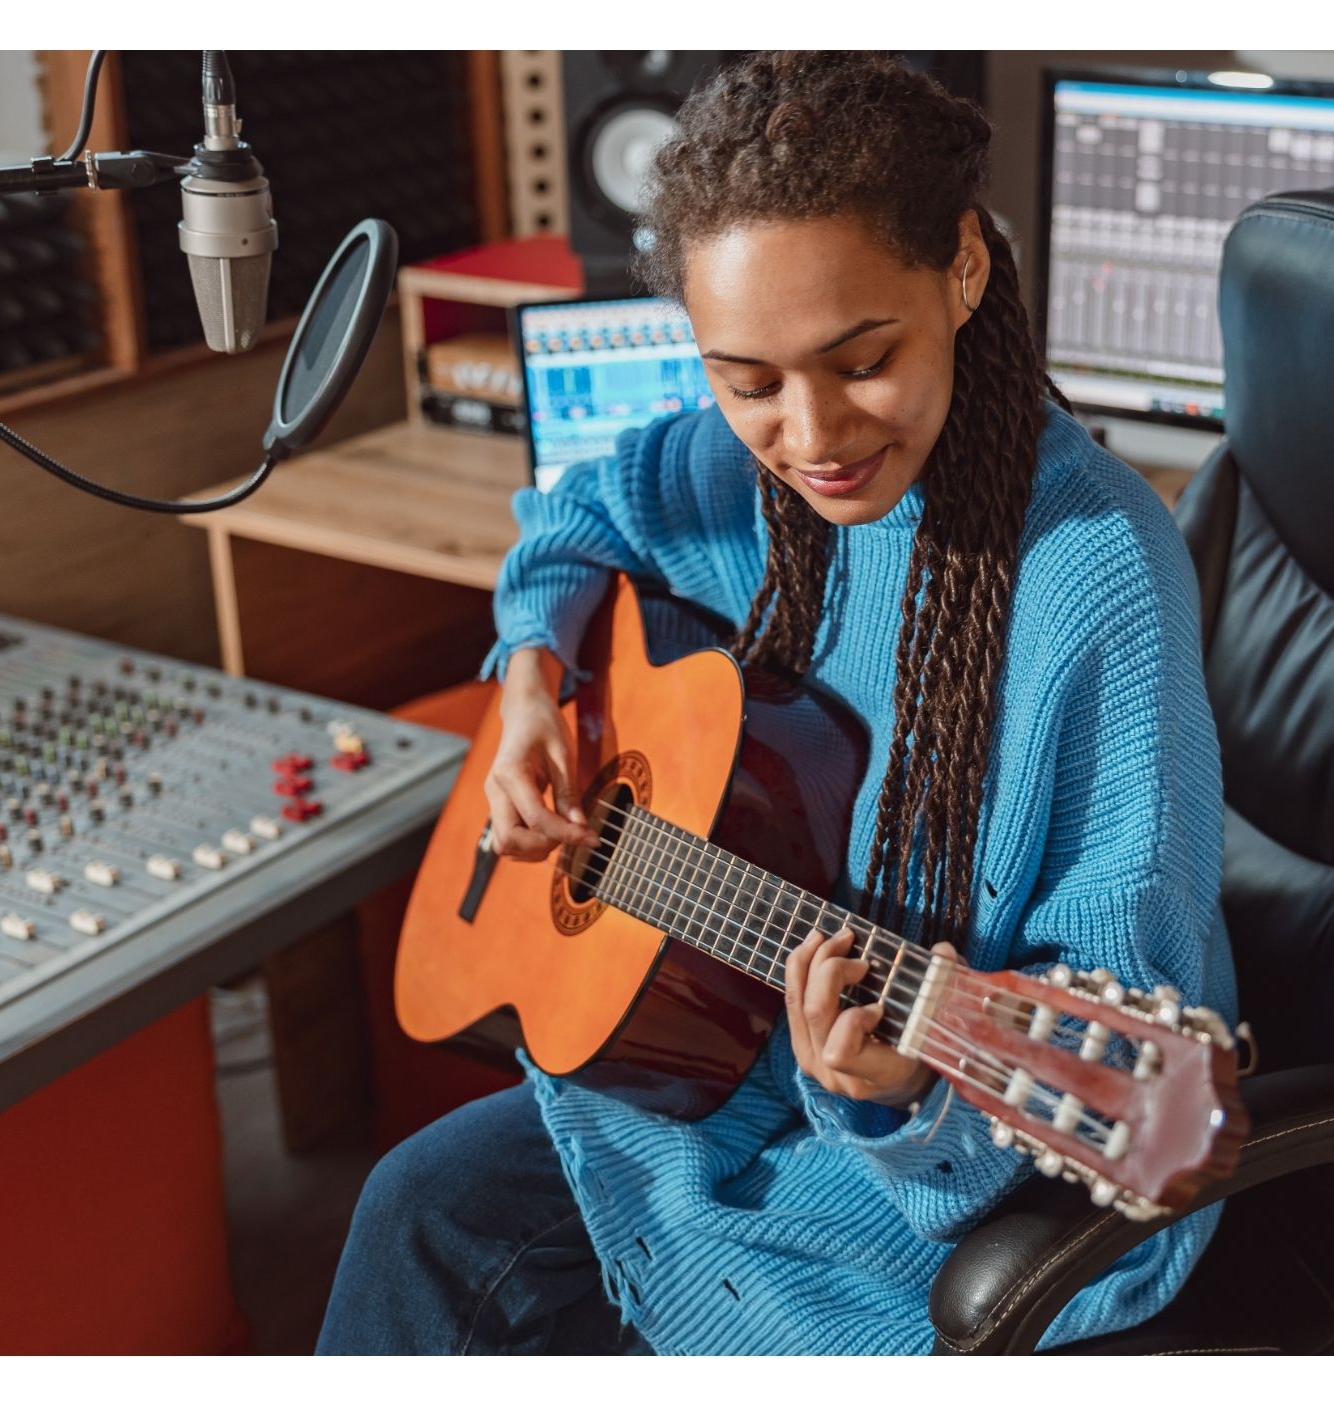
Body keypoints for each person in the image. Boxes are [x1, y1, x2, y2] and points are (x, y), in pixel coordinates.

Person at [318, 50, 1235, 1355]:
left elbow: (1127, 1046)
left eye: (862, 360)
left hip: (918, 1163)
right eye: (748, 382)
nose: (812, 434)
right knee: (413, 1204)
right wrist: (530, 682)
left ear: (963, 270)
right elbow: (581, 515)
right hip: (724, 1072)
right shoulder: (753, 476)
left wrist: (905, 1090)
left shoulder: (1096, 575)